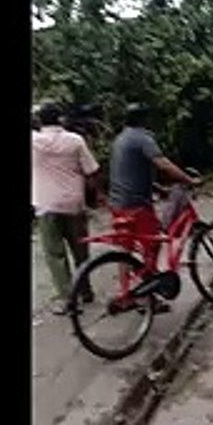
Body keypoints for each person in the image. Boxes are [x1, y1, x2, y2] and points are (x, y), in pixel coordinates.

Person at [108, 102, 200, 313]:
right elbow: (162, 163)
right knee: (154, 244)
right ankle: (148, 293)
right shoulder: (143, 138)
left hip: (118, 203)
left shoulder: (121, 139)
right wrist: (188, 180)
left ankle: (125, 293)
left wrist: (157, 188)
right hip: (137, 205)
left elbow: (130, 171)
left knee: (125, 249)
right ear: (145, 119)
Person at [32, 102, 101, 315]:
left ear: (40, 121)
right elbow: (91, 172)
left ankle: (67, 298)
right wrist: (95, 196)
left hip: (46, 204)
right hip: (74, 203)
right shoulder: (75, 140)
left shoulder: (34, 141)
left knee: (55, 255)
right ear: (60, 119)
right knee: (81, 250)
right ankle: (85, 291)